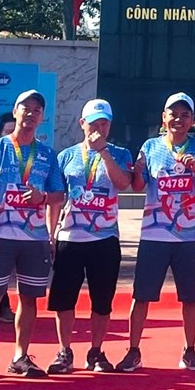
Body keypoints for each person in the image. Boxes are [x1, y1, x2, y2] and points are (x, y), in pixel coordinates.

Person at [121, 92, 195, 372]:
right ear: (163, 118)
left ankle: (190, 351)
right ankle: (133, 351)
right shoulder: (150, 146)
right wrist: (138, 171)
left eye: (185, 115)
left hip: (188, 236)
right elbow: (138, 186)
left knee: (190, 297)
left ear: (193, 120)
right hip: (154, 234)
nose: (178, 119)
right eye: (173, 114)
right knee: (142, 295)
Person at [0, 89, 64, 381]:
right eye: (26, 108)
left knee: (29, 299)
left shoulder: (47, 154)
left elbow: (59, 195)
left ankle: (20, 356)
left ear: (42, 117)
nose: (31, 114)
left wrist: (42, 198)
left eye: (37, 110)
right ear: (15, 112)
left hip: (34, 238)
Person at [49, 99, 133, 373]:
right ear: (82, 124)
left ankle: (96, 351)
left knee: (102, 300)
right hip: (70, 237)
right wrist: (51, 235)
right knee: (64, 299)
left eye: (104, 123)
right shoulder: (66, 156)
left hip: (105, 238)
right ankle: (64, 351)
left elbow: (124, 183)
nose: (98, 128)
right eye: (93, 123)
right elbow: (56, 198)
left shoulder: (120, 154)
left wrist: (104, 153)